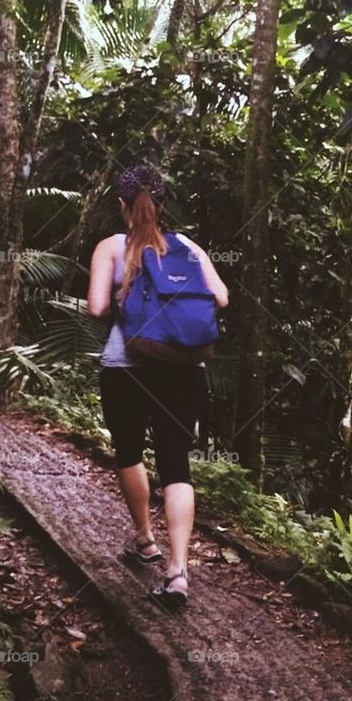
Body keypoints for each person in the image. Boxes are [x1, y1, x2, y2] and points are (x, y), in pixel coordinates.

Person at [87, 163, 229, 609]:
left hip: (125, 366)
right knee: (177, 465)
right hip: (182, 368)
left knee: (129, 451)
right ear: (163, 203)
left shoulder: (111, 247)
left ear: (121, 205)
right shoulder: (188, 246)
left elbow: (96, 308)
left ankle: (145, 540)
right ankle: (178, 571)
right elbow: (221, 297)